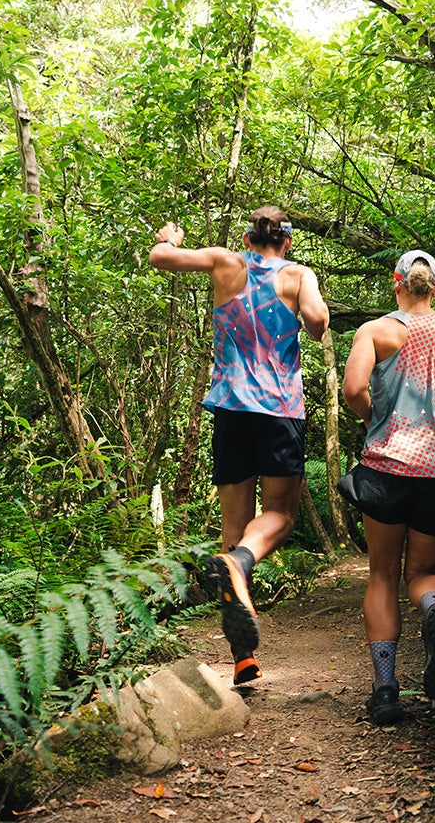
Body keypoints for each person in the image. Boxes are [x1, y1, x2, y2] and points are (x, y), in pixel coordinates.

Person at [149, 206, 329, 685]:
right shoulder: (297, 274)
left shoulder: (224, 261)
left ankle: (243, 658)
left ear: (249, 238)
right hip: (278, 410)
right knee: (280, 518)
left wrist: (169, 235)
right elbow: (317, 321)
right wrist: (302, 313)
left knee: (234, 528)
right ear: (286, 241)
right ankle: (239, 562)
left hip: (229, 410)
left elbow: (159, 257)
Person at [339, 250, 435, 724]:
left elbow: (352, 390)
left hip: (388, 467)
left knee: (383, 573)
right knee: (423, 572)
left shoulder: (375, 331)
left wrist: (377, 418)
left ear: (397, 283)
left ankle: (386, 691)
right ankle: (433, 608)